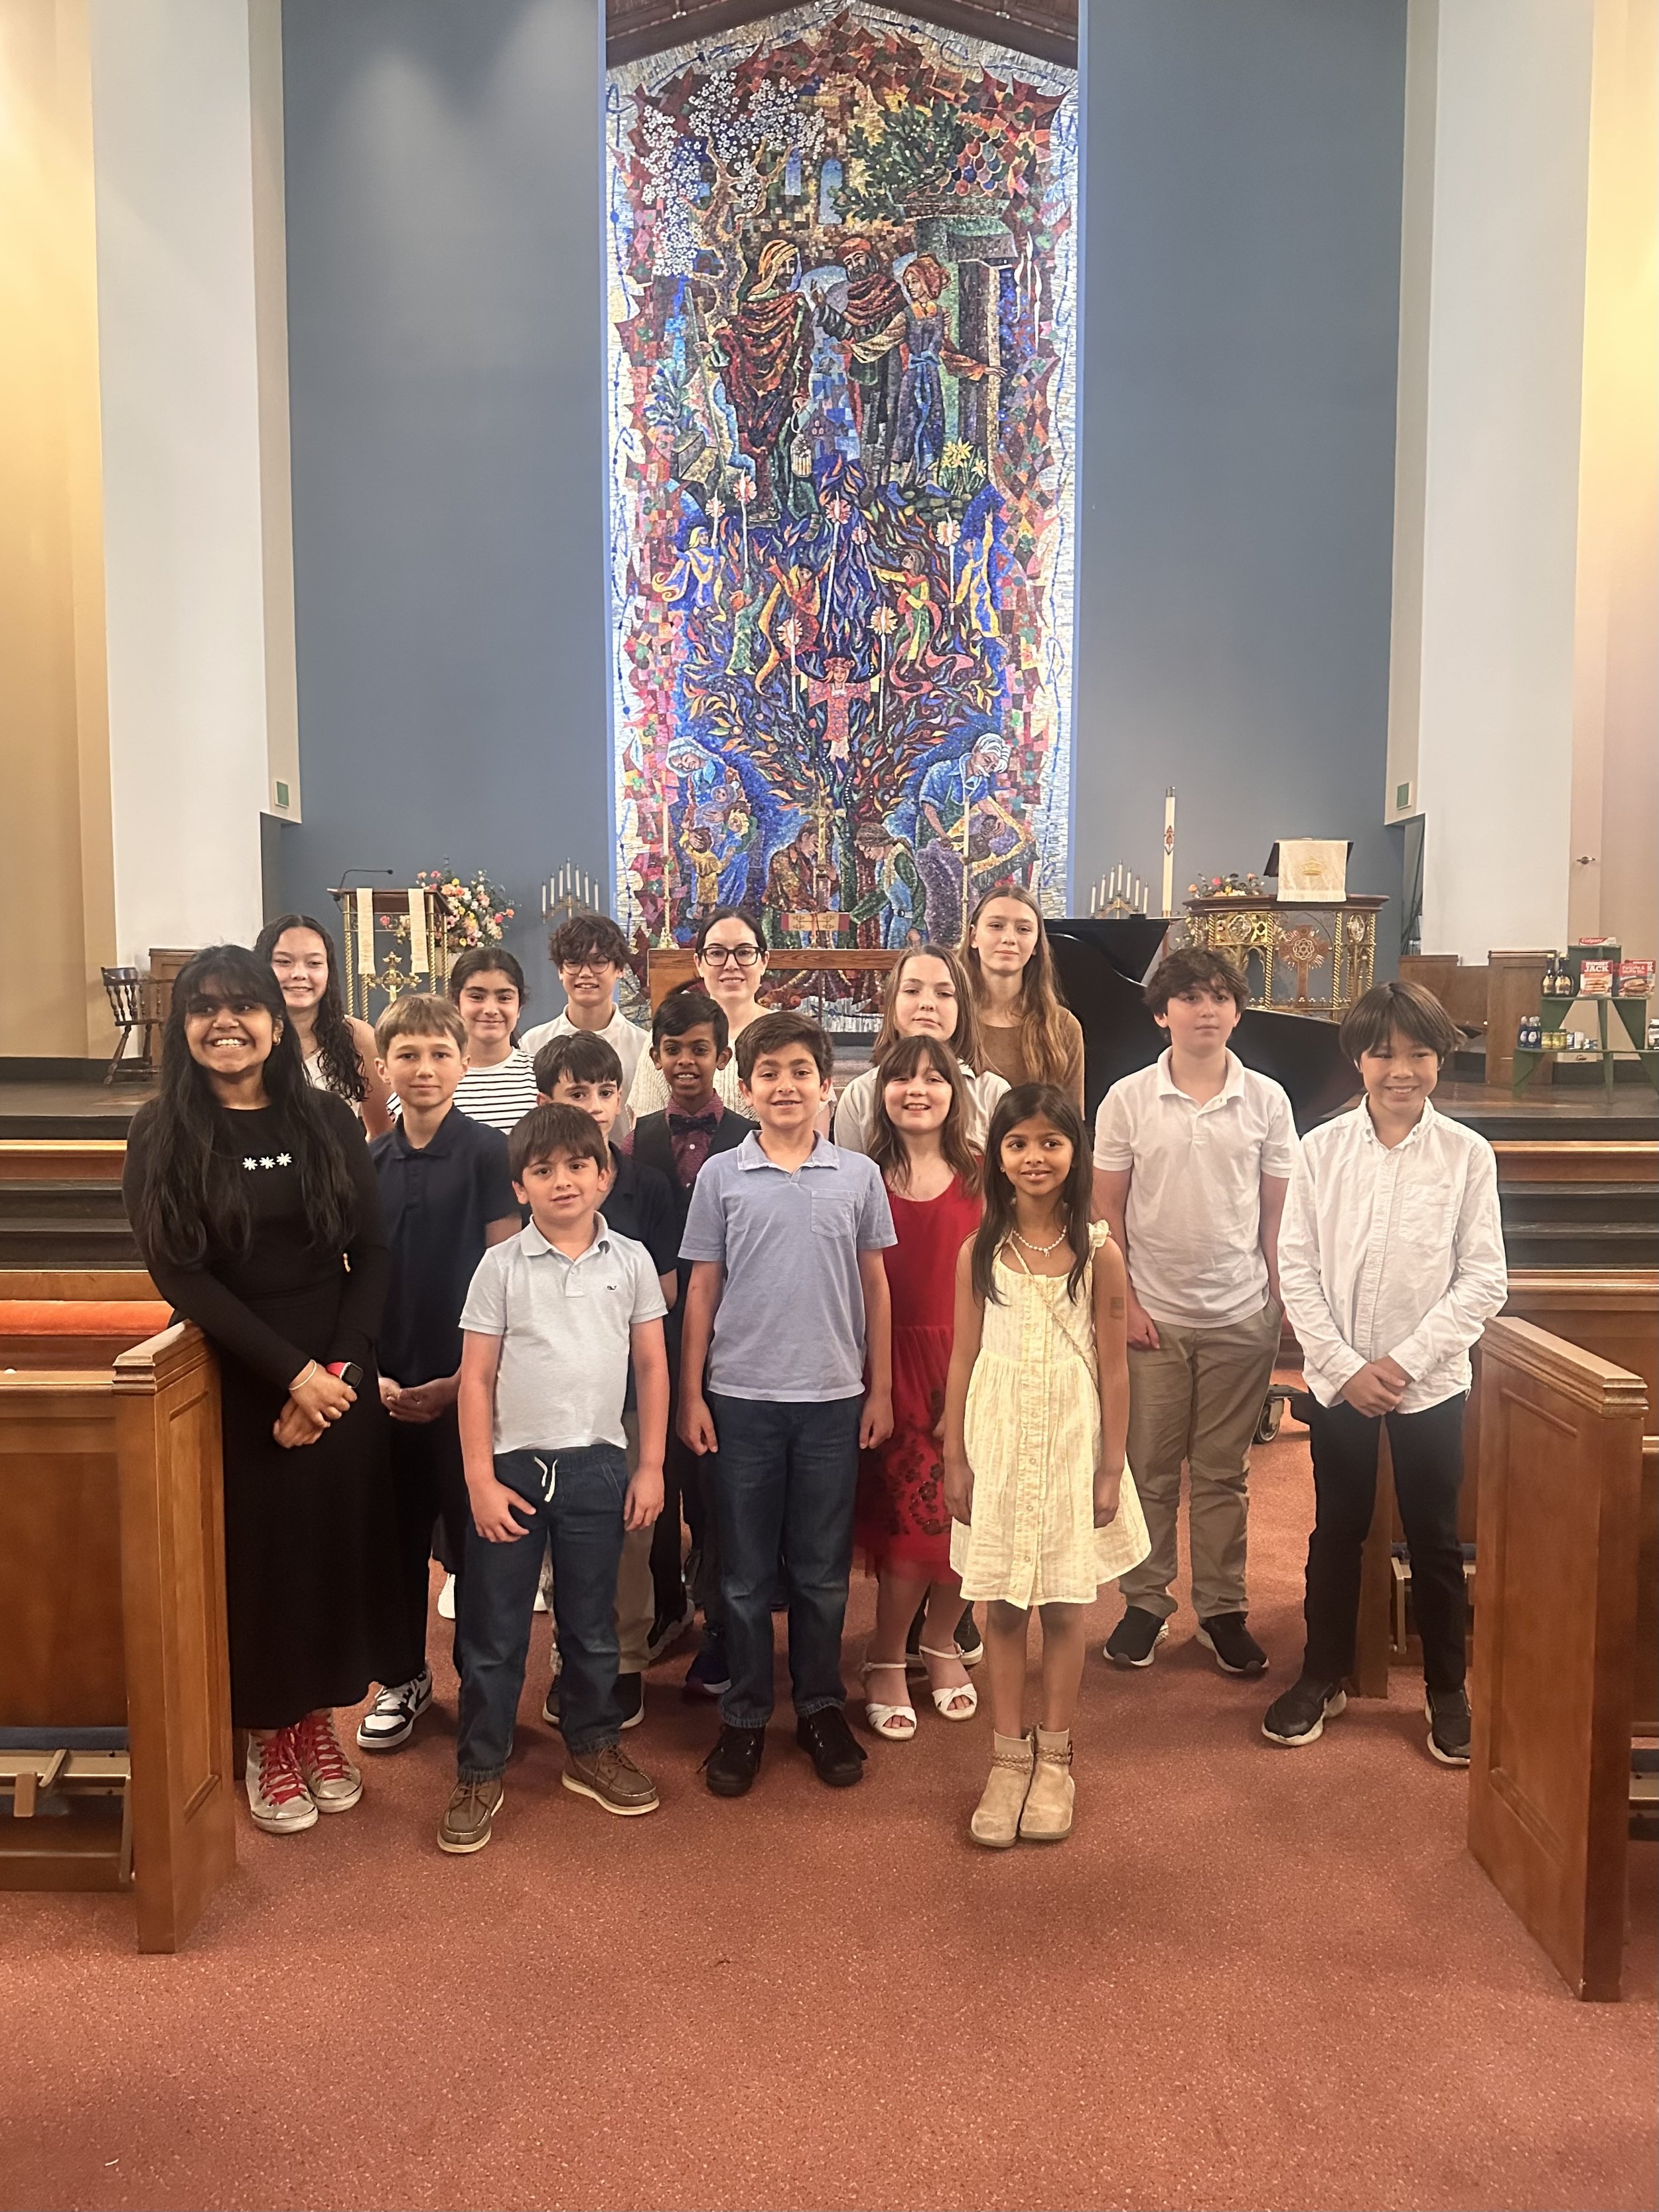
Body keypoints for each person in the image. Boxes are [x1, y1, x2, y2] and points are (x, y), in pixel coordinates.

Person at [122, 946, 417, 1836]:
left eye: (242, 1005)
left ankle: (320, 1723)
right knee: (260, 1564)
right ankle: (268, 1733)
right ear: (183, 1026)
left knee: (333, 1554)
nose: (226, 1022)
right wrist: (289, 1375)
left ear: (271, 1019)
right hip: (239, 1375)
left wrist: (338, 1373)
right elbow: (181, 1272)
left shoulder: (325, 1117)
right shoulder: (161, 1130)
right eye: (204, 1007)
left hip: (335, 1372)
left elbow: (371, 1253)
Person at [1263, 981, 1506, 1767]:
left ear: (1439, 1060)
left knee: (1434, 1537)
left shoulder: (1466, 1154)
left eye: (1417, 1054)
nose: (1399, 1070)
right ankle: (1323, 1673)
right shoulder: (1319, 1150)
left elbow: (1482, 1279)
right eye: (1382, 1054)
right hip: (1339, 1384)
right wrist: (1341, 1366)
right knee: (1337, 1530)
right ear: (1357, 1059)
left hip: (1428, 1384)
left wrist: (1399, 1364)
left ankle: (1446, 1689)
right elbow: (1294, 1264)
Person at [438, 1105, 670, 1854]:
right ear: (520, 1185)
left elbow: (651, 1366)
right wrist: (478, 1476)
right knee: (495, 1631)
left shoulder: (630, 1259)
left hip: (599, 1466)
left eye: (578, 1165)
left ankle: (592, 1743)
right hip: (512, 1469)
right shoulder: (501, 1266)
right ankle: (480, 1765)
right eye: (543, 1170)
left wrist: (652, 1466)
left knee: (591, 1627)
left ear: (605, 1174)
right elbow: (475, 1378)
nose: (562, 1180)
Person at [676, 1011, 896, 1798]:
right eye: (768, 1073)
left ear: (826, 1086)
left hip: (833, 1400)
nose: (785, 1086)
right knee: (740, 1573)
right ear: (746, 1087)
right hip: (742, 1398)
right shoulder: (721, 1177)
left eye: (800, 1072)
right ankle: (743, 1713)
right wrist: (691, 1393)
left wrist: (882, 1386)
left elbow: (875, 1283)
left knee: (820, 1571)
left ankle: (819, 1704)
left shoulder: (857, 1176)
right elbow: (702, 1288)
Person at [942, 1085, 1149, 1848]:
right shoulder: (980, 1249)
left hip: (1068, 1439)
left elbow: (1115, 1371)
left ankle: (1055, 1758)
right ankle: (1006, 1758)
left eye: (1050, 1143)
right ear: (997, 1156)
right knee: (999, 1603)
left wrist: (1107, 1468)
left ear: (1074, 1153)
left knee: (1063, 1603)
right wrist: (953, 1455)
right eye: (1018, 1143)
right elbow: (964, 1358)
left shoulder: (1099, 1252)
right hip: (996, 1441)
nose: (1035, 1157)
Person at [1092, 947, 1297, 1677]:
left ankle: (1220, 1608)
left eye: (1218, 997)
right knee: (1148, 1470)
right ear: (1161, 1013)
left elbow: (1278, 1213)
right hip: (1156, 1315)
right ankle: (1145, 1602)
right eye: (1189, 997)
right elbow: (1105, 1210)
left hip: (1241, 1313)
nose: (1205, 1009)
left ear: (1237, 1012)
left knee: (1221, 1471)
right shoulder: (1126, 1099)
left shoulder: (1267, 1100)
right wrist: (1127, 1305)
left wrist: (1280, 1297)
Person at [356, 995, 521, 1752]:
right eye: (408, 1054)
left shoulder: (489, 1151)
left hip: (467, 1385)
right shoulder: (368, 1161)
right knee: (389, 1546)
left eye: (439, 1053)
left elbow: (506, 1269)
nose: (424, 1069)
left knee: (476, 1544)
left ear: (462, 1061)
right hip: (385, 1387)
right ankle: (401, 1677)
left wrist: (462, 1380)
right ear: (384, 1067)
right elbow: (351, 1275)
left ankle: (482, 1688)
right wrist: (374, 1377)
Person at [531, 1030, 678, 1730]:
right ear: (545, 1101)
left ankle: (622, 1659)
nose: (592, 1106)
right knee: (565, 1537)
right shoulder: (538, 1183)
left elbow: (669, 1292)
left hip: (621, 1392)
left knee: (631, 1535)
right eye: (574, 1092)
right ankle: (570, 1654)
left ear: (621, 1099)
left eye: (604, 1091)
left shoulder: (645, 1182)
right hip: (550, 1399)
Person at [854, 1036, 983, 1740]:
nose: (917, 1089)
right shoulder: (860, 1174)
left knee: (965, 1523)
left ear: (953, 1093)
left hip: (969, 1362)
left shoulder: (984, 1173)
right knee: (910, 1527)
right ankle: (882, 1655)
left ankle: (938, 1643)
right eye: (902, 1077)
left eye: (934, 1078)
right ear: (881, 1092)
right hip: (890, 1362)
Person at [629, 989, 758, 1692]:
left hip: (729, 1336)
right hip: (651, 1333)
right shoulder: (634, 1138)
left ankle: (718, 1614)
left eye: (699, 1048)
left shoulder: (748, 1136)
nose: (685, 1061)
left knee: (716, 1485)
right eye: (673, 1049)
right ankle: (662, 1605)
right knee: (657, 1476)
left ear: (723, 1055)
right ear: (655, 1056)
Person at [832, 943, 1008, 1156]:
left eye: (943, 993)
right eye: (912, 991)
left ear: (962, 1008)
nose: (927, 1004)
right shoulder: (860, 1095)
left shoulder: (993, 1094)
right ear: (892, 1004)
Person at [255, 913, 393, 1137]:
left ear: (329, 971)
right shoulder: (248, 1037)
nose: (299, 974)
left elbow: (382, 1131)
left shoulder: (357, 1037)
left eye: (314, 963)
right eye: (283, 962)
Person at [627, 908, 770, 1120]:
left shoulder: (790, 1036)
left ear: (764, 961)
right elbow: (647, 1135)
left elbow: (811, 1133)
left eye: (744, 952)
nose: (731, 965)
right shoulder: (666, 1039)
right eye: (717, 953)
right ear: (699, 963)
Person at [519, 912, 650, 1131]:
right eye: (574, 963)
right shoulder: (532, 1044)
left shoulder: (644, 1047)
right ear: (561, 970)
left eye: (599, 962)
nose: (586, 973)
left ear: (619, 969)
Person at [963, 884, 1085, 1109]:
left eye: (1023, 929)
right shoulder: (949, 1018)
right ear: (973, 936)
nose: (1009, 938)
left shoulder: (1063, 1026)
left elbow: (1071, 1125)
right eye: (996, 926)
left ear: (1037, 944)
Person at [436, 947, 540, 1133]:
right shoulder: (431, 1077)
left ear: (519, 1006)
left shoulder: (541, 1077)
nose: (491, 1009)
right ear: (455, 1002)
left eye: (504, 998)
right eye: (477, 997)